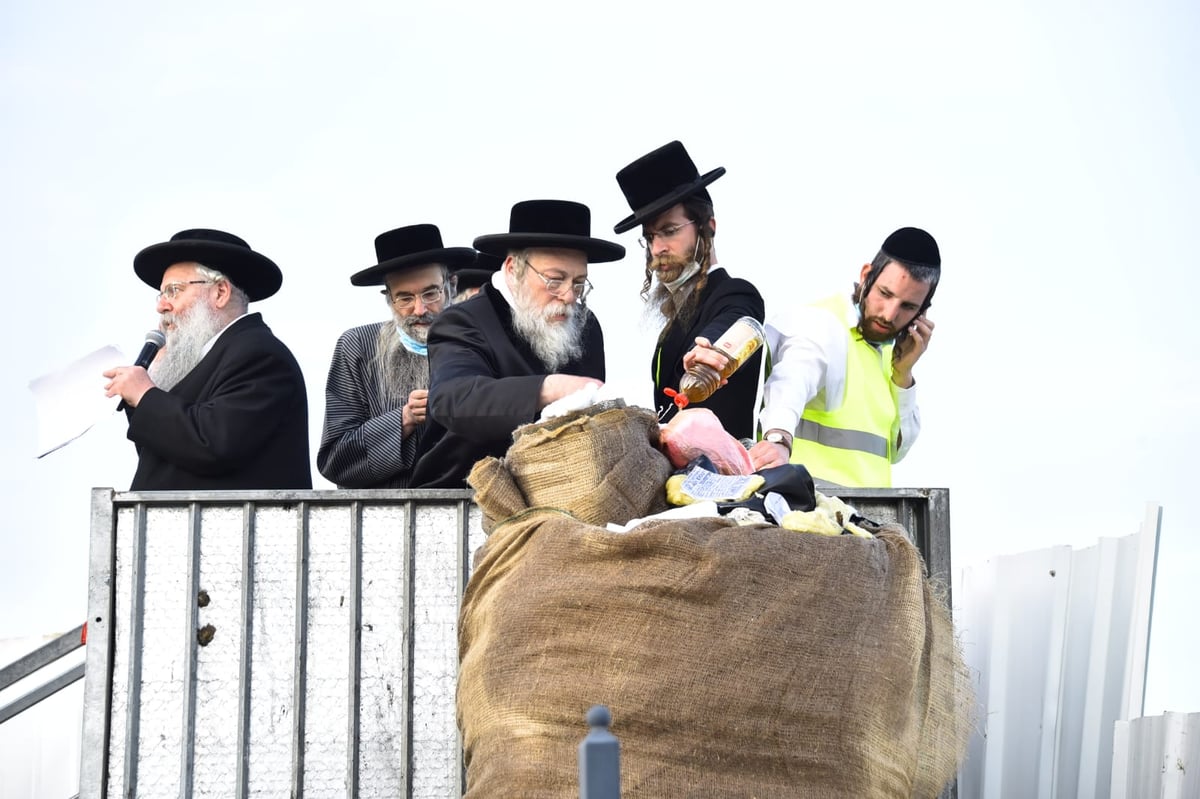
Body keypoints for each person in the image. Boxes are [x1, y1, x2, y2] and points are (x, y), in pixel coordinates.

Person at [410, 199, 624, 488]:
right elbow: (453, 399)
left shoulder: (586, 326)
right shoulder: (462, 321)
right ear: (513, 269)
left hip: (557, 498)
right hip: (459, 501)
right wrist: (549, 388)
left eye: (578, 283)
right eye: (554, 280)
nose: (569, 296)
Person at [103, 228, 312, 490]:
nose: (162, 306)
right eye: (162, 294)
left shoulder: (260, 355)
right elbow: (171, 460)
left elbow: (215, 444)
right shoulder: (208, 357)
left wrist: (146, 395)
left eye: (174, 290)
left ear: (220, 292)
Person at [750, 227, 941, 487]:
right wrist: (778, 440)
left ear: (923, 311)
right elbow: (793, 380)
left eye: (908, 306)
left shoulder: (891, 354)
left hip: (866, 521)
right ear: (866, 277)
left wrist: (903, 375)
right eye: (885, 294)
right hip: (803, 514)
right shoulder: (823, 324)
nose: (889, 314)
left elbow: (897, 451)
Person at [613, 140, 765, 440]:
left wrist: (710, 351)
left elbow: (734, 323)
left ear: (708, 227)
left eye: (669, 231)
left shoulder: (735, 293)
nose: (658, 248)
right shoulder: (674, 319)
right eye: (650, 237)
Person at [317, 224, 476, 488]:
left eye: (430, 293)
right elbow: (335, 461)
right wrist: (405, 419)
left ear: (451, 286)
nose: (420, 308)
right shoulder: (357, 347)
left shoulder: (480, 343)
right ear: (388, 299)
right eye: (404, 298)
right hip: (380, 522)